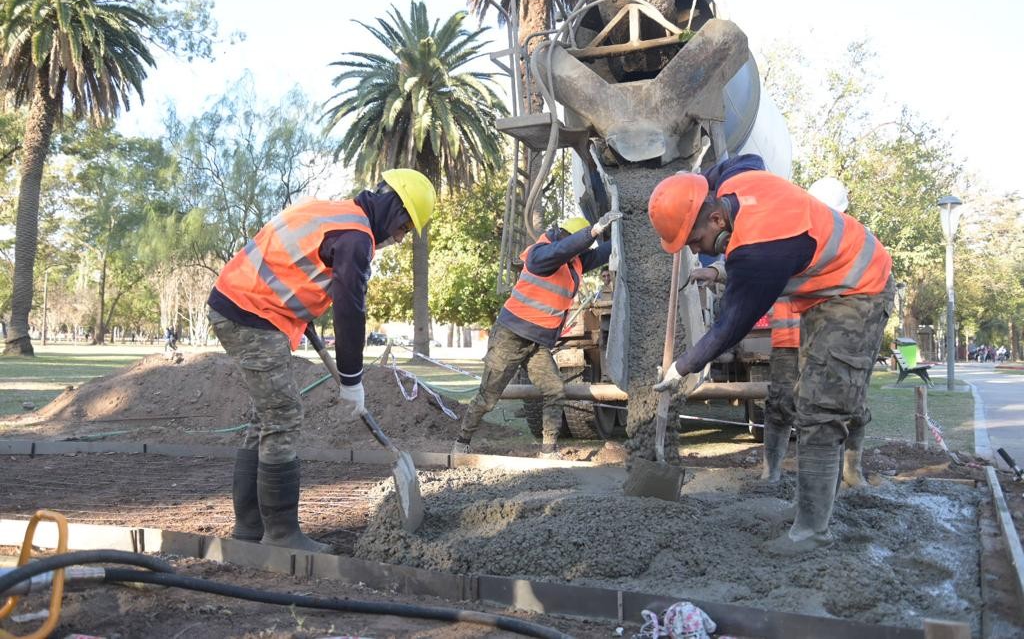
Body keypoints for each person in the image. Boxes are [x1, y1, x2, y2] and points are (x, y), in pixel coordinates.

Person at [648, 155, 893, 553]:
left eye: (694, 241)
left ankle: (812, 530)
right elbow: (746, 159)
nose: (694, 250)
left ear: (716, 221)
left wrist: (681, 367)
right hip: (827, 292)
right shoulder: (735, 181)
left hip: (859, 288)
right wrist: (689, 181)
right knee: (808, 400)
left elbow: (729, 327)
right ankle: (810, 508)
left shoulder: (761, 251)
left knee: (820, 408)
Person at [208, 169, 435, 552]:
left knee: (265, 418)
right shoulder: (356, 237)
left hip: (240, 305)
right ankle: (281, 535)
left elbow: (292, 262)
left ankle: (249, 528)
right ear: (397, 212)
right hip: (252, 315)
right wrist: (352, 379)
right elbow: (350, 309)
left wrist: (304, 308)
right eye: (404, 230)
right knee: (282, 417)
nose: (397, 239)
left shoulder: (332, 213)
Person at [687, 175, 856, 485]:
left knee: (835, 406)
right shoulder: (788, 222)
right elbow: (754, 258)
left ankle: (848, 473)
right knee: (779, 404)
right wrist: (714, 270)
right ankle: (771, 473)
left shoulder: (842, 241)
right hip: (789, 336)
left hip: (831, 336)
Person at [453, 212, 622, 458]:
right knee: (488, 396)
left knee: (555, 389)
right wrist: (593, 231)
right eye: (575, 243)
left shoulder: (573, 261)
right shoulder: (540, 254)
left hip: (537, 344)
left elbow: (599, 254)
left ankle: (548, 449)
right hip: (510, 337)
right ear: (567, 238)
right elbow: (561, 251)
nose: (579, 252)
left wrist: (621, 234)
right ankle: (461, 442)